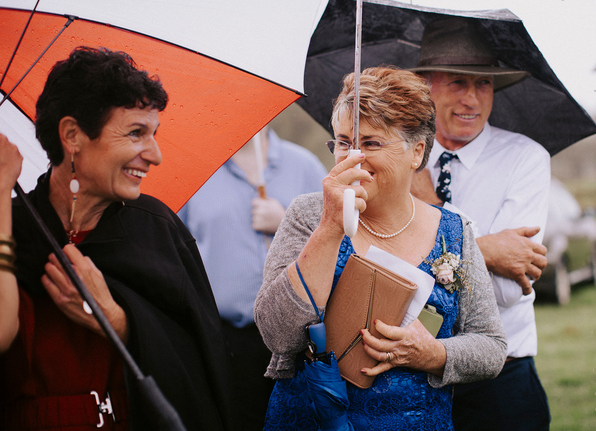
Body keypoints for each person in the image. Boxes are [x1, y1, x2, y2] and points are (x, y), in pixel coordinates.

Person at [254, 66, 507, 430]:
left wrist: (432, 353)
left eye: (371, 143)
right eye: (343, 142)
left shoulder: (455, 233)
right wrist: (330, 227)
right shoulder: (308, 215)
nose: (352, 158)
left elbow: (492, 346)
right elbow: (277, 334)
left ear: (416, 152)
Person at [0, 47, 232, 431]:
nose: (155, 155)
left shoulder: (159, 230)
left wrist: (116, 319)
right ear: (72, 135)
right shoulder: (12, 225)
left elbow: (203, 371)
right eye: (136, 133)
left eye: (154, 134)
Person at [408, 16, 551, 430]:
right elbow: (384, 267)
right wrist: (486, 250)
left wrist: (431, 207)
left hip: (499, 383)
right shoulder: (397, 158)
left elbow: (508, 291)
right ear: (424, 86)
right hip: (412, 376)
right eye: (457, 82)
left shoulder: (525, 159)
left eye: (483, 83)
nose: (472, 99)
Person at [178, 127, 327, 429]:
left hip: (297, 341)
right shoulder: (195, 175)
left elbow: (336, 241)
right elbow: (176, 252)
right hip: (223, 339)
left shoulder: (304, 166)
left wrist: (284, 221)